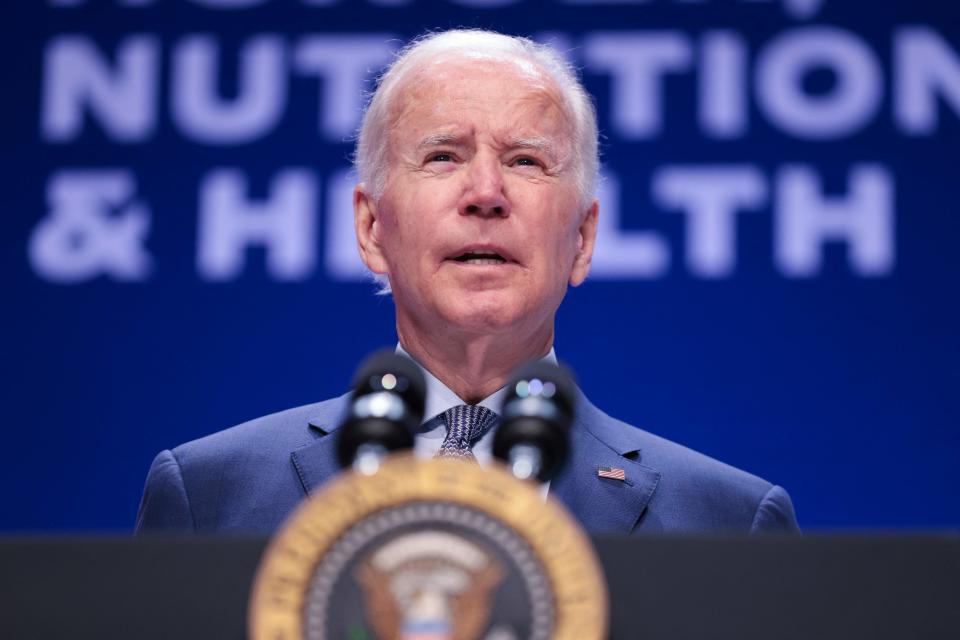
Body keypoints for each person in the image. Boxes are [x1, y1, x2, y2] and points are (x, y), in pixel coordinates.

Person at [136, 29, 799, 535]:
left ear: (583, 238)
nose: (486, 193)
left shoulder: (729, 522)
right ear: (371, 228)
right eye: (443, 156)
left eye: (525, 160)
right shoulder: (211, 497)